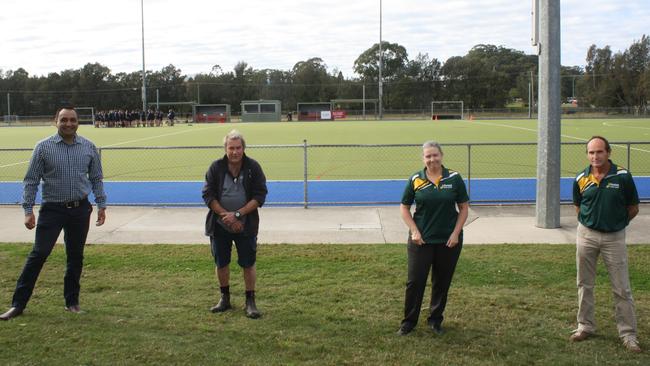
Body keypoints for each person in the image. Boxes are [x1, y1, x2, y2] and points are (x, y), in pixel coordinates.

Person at [0, 106, 107, 321]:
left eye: (73, 120)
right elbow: (31, 181)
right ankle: (18, 304)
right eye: (64, 120)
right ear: (55, 121)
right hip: (52, 210)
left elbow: (96, 178)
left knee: (75, 257)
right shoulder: (43, 148)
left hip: (80, 210)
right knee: (38, 254)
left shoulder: (88, 147)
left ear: (78, 122)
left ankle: (72, 302)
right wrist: (28, 210)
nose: (69, 124)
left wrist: (101, 204)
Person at [570, 136, 641, 353]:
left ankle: (628, 334)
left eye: (599, 152)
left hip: (614, 238)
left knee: (621, 288)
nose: (595, 156)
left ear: (608, 152)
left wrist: (617, 224)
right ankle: (585, 326)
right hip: (587, 236)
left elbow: (633, 207)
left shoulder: (623, 177)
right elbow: (578, 206)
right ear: (587, 155)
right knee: (584, 283)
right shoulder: (581, 178)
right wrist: (591, 224)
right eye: (591, 153)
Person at [397, 141, 469, 335]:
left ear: (441, 156)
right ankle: (408, 322)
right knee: (415, 282)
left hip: (449, 241)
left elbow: (463, 208)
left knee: (441, 282)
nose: (432, 159)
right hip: (421, 241)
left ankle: (435, 320)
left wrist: (455, 233)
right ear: (423, 158)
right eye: (428, 156)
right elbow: (404, 207)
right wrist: (414, 230)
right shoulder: (415, 179)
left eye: (435, 155)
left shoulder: (454, 178)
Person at [202, 130, 268, 319]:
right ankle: (225, 298)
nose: (235, 152)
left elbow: (260, 195)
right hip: (220, 225)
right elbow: (208, 195)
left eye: (238, 148)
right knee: (221, 263)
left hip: (246, 225)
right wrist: (227, 217)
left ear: (243, 148)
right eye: (231, 148)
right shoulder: (215, 167)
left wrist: (238, 215)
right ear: (225, 149)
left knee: (248, 263)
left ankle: (250, 301)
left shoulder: (253, 167)